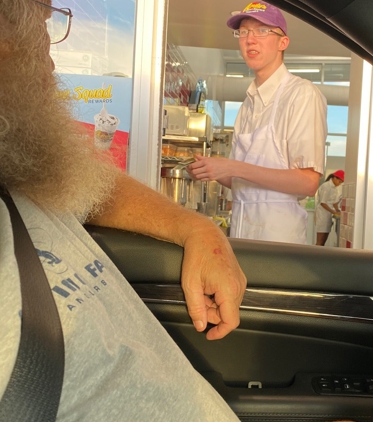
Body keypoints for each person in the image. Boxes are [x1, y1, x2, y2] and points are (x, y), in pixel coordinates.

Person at [0, 1, 246, 420]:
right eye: (44, 25)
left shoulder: (21, 171)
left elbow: (93, 184)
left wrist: (196, 228)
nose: (52, 56)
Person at [188, 1, 327, 244]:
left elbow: (308, 182)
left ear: (283, 42)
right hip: (243, 235)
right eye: (243, 32)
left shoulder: (301, 94)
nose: (250, 40)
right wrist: (213, 170)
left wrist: (232, 167)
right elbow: (243, 183)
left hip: (279, 243)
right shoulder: (248, 104)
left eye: (262, 31)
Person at [315, 170, 344, 246]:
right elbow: (323, 203)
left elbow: (334, 203)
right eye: (339, 181)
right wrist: (334, 212)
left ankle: (319, 256)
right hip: (322, 215)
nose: (339, 184)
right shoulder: (326, 186)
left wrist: (337, 210)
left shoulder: (334, 188)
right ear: (334, 178)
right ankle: (315, 256)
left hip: (328, 215)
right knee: (320, 240)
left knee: (324, 239)